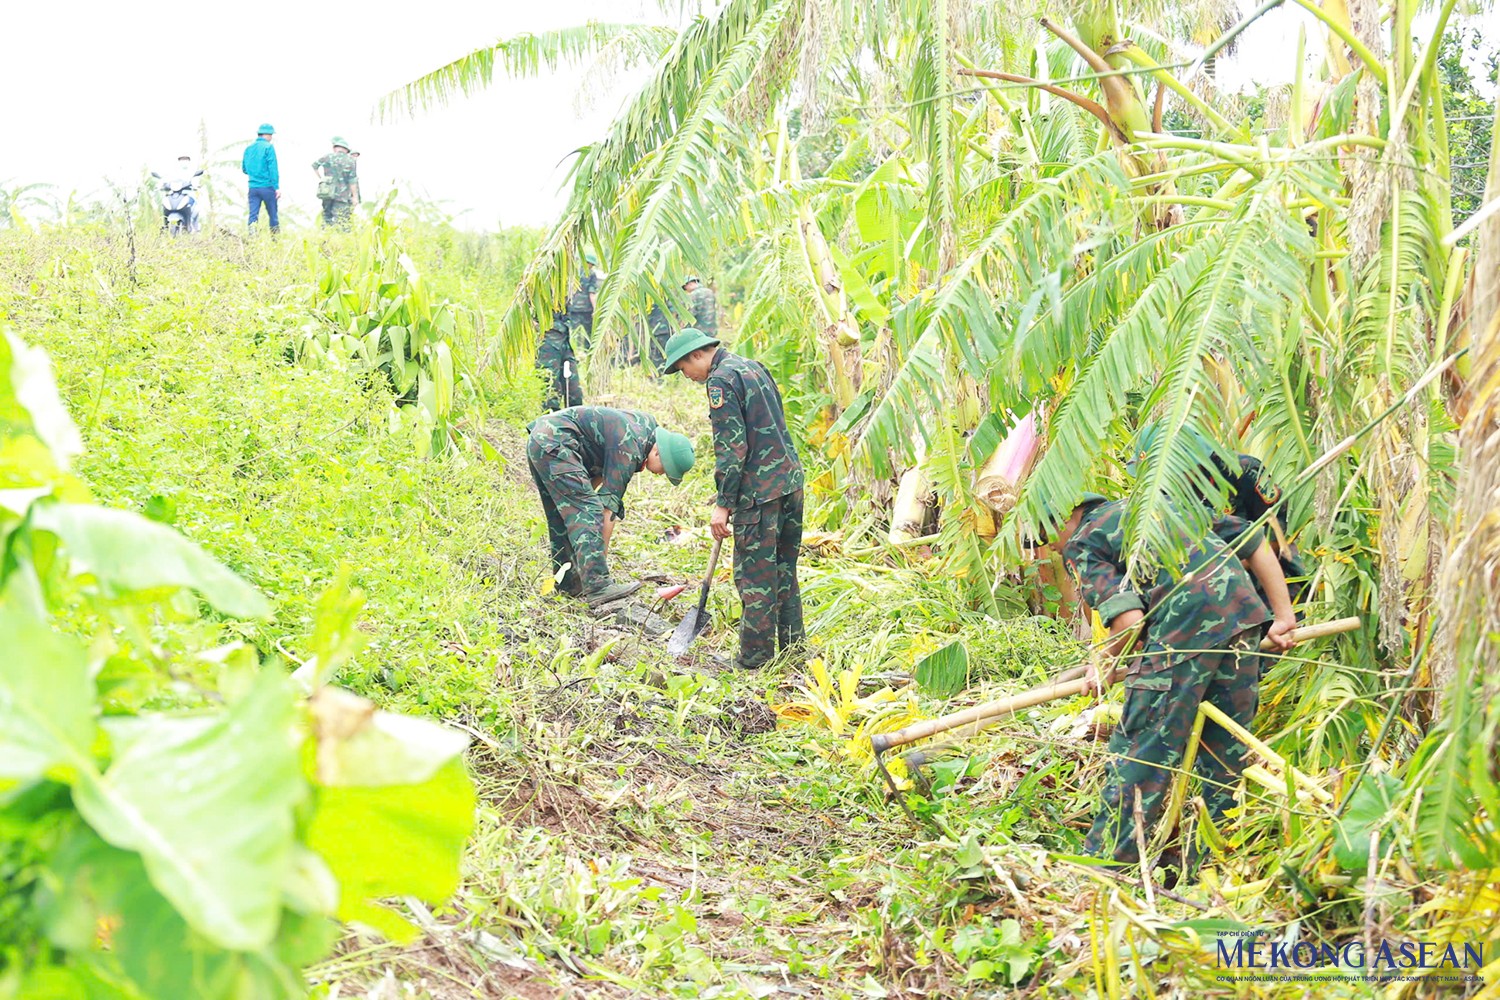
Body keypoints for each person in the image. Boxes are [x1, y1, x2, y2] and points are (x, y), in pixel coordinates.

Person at [1029, 492, 1297, 869]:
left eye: (1044, 539)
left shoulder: (1084, 541)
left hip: (1182, 632)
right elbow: (1252, 541)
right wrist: (1283, 615)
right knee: (1225, 755)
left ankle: (1104, 869)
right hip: (1243, 618)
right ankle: (1216, 868)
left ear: (1059, 519)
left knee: (1142, 749)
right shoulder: (1156, 500)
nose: (1052, 548)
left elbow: (1130, 620)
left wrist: (1104, 662)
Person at [661, 329, 805, 668]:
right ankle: (792, 650)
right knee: (784, 569)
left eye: (682, 369)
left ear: (696, 355)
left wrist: (723, 504)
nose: (687, 377)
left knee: (754, 577)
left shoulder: (720, 381)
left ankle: (754, 660)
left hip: (759, 493)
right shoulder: (753, 367)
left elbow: (732, 448)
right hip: (791, 483)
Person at [527, 407, 695, 608]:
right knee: (589, 512)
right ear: (657, 453)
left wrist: (583, 506)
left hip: (543, 439)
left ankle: (569, 585)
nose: (662, 475)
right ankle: (598, 587)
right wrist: (600, 565)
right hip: (557, 443)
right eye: (665, 470)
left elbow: (598, 468)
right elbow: (607, 511)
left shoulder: (644, 430)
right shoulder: (630, 448)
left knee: (565, 516)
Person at [1129, 422, 1309, 608]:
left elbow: (1277, 535)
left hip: (1271, 588)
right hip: (1210, 597)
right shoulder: (1159, 494)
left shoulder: (1241, 471)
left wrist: (1224, 570)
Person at [536, 310, 582, 411]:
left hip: (565, 342)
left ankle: (574, 422)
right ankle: (552, 424)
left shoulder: (565, 295)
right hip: (547, 344)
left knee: (574, 393)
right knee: (551, 392)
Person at [312, 137, 359, 228]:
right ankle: (341, 238)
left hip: (326, 192)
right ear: (346, 150)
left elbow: (314, 166)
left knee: (326, 217)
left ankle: (325, 238)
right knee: (342, 219)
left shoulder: (327, 157)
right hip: (343, 195)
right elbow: (352, 181)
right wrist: (355, 197)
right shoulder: (350, 161)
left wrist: (321, 179)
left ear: (335, 148)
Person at [241, 124, 279, 233]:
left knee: (253, 215)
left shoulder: (248, 148)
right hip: (267, 187)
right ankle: (275, 239)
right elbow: (273, 169)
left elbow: (244, 169)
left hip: (253, 188)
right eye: (271, 135)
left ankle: (252, 237)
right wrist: (276, 187)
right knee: (273, 215)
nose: (271, 138)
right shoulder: (268, 147)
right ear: (266, 135)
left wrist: (255, 174)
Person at [566, 254, 601, 350]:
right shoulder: (591, 274)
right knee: (588, 334)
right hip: (586, 309)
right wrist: (595, 309)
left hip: (573, 308)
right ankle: (586, 353)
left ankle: (576, 352)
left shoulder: (574, 272)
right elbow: (592, 293)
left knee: (574, 332)